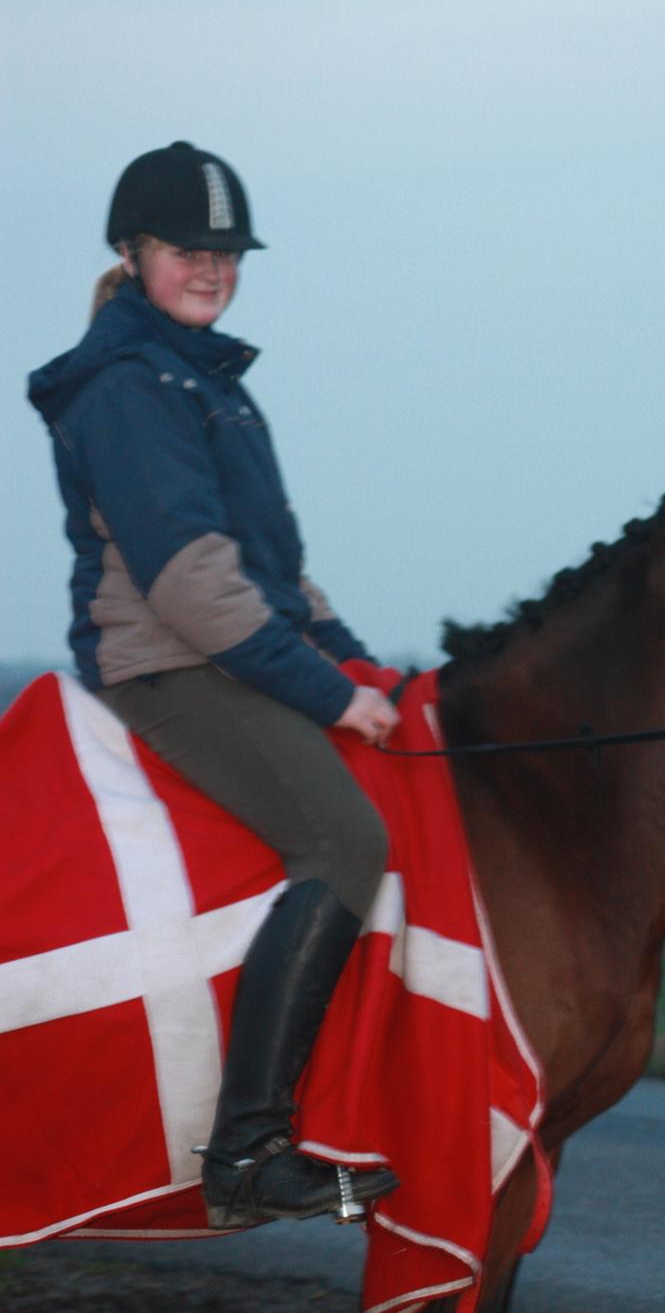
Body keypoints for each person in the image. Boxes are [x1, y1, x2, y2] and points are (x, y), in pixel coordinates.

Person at [28, 141, 401, 1228]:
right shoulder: (127, 386)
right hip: (169, 667)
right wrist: (331, 696)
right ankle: (246, 1150)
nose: (211, 268)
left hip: (228, 645)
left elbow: (272, 570)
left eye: (227, 253)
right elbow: (192, 584)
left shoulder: (203, 379)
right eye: (186, 250)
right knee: (346, 841)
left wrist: (359, 662)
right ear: (131, 252)